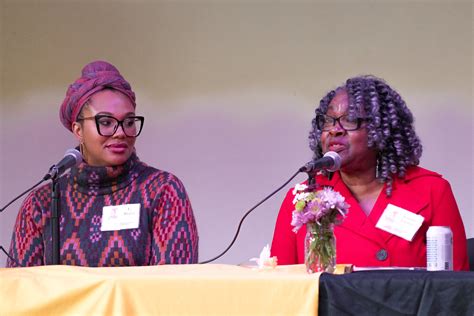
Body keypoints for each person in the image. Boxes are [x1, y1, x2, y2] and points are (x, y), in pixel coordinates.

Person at [7, 60, 199, 267]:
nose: (120, 133)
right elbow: (21, 290)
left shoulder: (163, 190)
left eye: (128, 122)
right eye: (106, 122)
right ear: (78, 131)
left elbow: (176, 284)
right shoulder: (42, 203)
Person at [271, 75, 469, 270]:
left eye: (350, 120)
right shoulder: (304, 198)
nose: (334, 130)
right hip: (331, 303)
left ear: (381, 129)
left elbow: (456, 288)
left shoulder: (431, 190)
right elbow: (280, 288)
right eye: (329, 121)